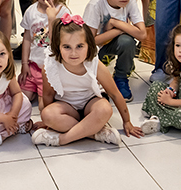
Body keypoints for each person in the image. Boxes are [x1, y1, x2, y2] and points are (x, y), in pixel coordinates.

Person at [31, 15, 143, 146]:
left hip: (90, 104)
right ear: (58, 47)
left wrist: (127, 121)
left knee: (105, 109)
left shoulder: (95, 64)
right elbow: (48, 95)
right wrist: (48, 122)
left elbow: (114, 93)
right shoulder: (50, 66)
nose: (74, 53)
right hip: (66, 107)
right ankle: (95, 133)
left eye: (79, 46)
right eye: (67, 47)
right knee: (47, 114)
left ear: (89, 45)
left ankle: (62, 139)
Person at [83, 0, 146, 102]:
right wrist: (121, 29)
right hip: (95, 51)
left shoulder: (130, 0)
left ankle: (121, 77)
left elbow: (142, 34)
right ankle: (105, 65)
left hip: (114, 43)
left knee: (127, 42)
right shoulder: (95, 4)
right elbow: (89, 42)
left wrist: (115, 23)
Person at [18, 0, 71, 102]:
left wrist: (52, 19)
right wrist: (24, 64)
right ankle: (34, 88)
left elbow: (61, 42)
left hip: (52, 69)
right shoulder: (30, 11)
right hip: (34, 66)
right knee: (22, 99)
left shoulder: (63, 12)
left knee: (44, 105)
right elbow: (27, 39)